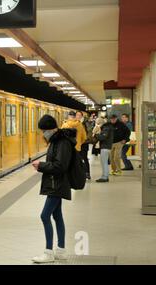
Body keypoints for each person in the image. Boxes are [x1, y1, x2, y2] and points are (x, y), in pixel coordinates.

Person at [31, 114, 74, 263]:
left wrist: (41, 166)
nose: (43, 133)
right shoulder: (56, 141)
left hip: (57, 184)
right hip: (56, 183)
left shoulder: (62, 143)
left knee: (44, 216)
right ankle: (61, 250)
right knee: (57, 216)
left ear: (52, 128)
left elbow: (60, 166)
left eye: (44, 130)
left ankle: (48, 252)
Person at [95, 118, 114, 182]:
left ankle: (105, 177)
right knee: (104, 162)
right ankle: (105, 176)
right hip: (106, 146)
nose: (97, 125)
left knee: (104, 163)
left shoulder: (106, 128)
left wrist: (96, 134)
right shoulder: (107, 127)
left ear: (100, 123)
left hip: (105, 147)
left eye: (97, 123)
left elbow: (103, 137)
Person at [77, 111, 92, 179]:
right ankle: (79, 173)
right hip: (77, 144)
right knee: (78, 159)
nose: (78, 116)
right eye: (77, 115)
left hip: (84, 144)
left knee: (84, 158)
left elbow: (89, 131)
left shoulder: (86, 123)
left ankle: (87, 173)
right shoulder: (75, 123)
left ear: (82, 116)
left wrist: (85, 140)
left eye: (79, 115)